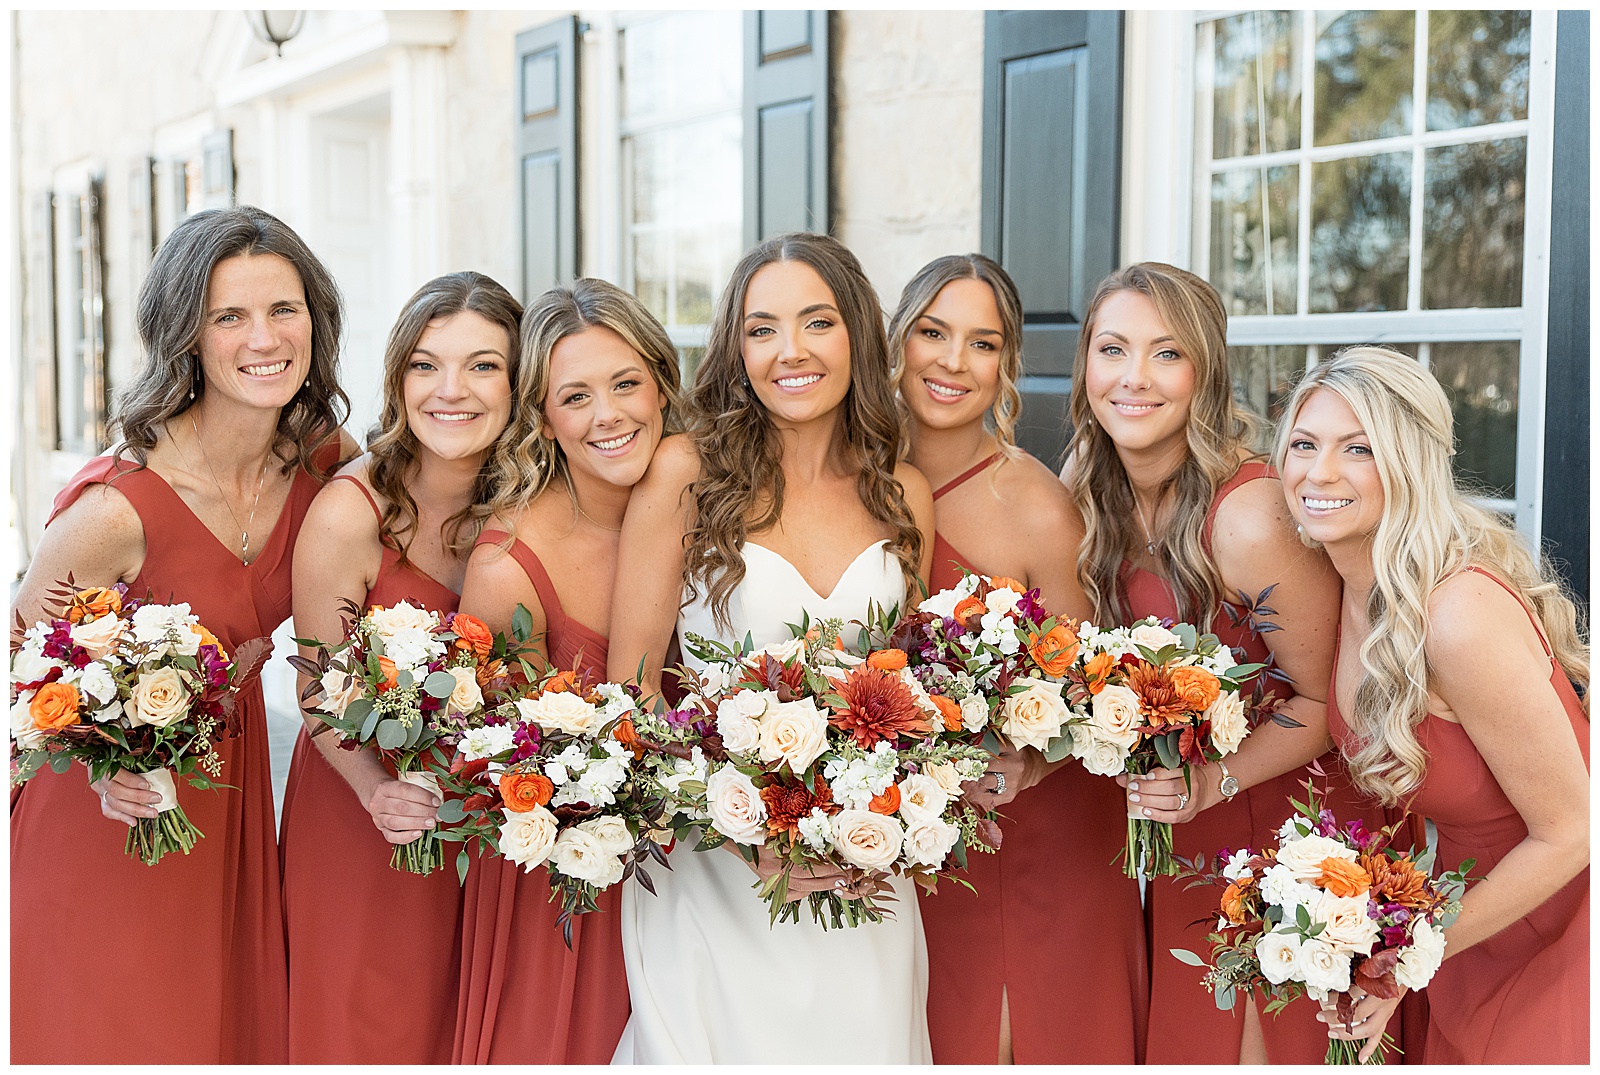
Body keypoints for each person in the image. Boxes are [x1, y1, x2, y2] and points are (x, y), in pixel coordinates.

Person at [10, 206, 353, 1063]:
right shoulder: (113, 510)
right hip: (107, 818)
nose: (263, 337)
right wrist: (97, 772)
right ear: (185, 338)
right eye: (227, 316)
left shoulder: (322, 462)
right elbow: (17, 675)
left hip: (227, 798)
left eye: (284, 309)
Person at [605, 232, 936, 1063]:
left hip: (863, 872)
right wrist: (745, 832)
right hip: (715, 870)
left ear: (856, 332)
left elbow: (915, 691)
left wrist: (894, 812)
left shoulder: (903, 492)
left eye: (816, 322)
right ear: (736, 346)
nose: (790, 351)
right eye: (762, 328)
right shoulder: (687, 474)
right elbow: (632, 694)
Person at [1060, 263, 1381, 1063]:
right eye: (1113, 349)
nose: (1134, 378)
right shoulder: (1087, 488)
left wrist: (1213, 782)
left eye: (1166, 354)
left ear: (1204, 374)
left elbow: (1325, 703)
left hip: (1283, 828)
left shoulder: (1248, 515)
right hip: (1182, 826)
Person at [1275, 347, 1584, 1062]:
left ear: (1410, 461)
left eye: (1359, 448)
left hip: (1558, 918)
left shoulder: (1458, 613)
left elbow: (1574, 829)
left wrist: (1402, 959)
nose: (1319, 473)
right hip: (1467, 919)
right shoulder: (1350, 581)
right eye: (1304, 443)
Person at [885, 254, 1146, 1063]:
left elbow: (1088, 689)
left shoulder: (1033, 503)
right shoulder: (852, 479)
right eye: (933, 332)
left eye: (982, 342)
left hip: (1023, 831)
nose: (953, 362)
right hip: (898, 839)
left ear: (1007, 364)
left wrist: (1018, 764)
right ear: (898, 340)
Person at [280, 271, 521, 1062]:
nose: (451, 389)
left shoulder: (526, 504)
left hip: (491, 824)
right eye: (425, 364)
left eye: (482, 365)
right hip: (364, 817)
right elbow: (316, 688)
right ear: (397, 379)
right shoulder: (351, 513)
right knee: (369, 1028)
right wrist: (376, 791)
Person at [451, 278, 682, 1062]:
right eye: (575, 396)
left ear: (662, 383)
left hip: (715, 871)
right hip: (575, 883)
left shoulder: (717, 500)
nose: (608, 415)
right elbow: (503, 764)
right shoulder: (509, 565)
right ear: (543, 420)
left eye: (625, 384)